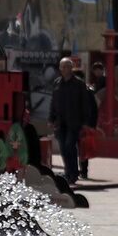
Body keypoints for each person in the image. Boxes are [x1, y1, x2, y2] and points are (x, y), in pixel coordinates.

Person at [47, 57, 95, 187]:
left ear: (71, 68)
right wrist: (51, 119)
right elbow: (53, 102)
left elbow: (85, 104)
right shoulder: (57, 83)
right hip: (60, 122)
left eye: (67, 66)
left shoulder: (79, 84)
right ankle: (69, 172)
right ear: (60, 68)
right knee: (63, 149)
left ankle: (73, 174)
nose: (64, 69)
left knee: (70, 146)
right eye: (62, 67)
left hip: (75, 122)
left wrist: (85, 121)